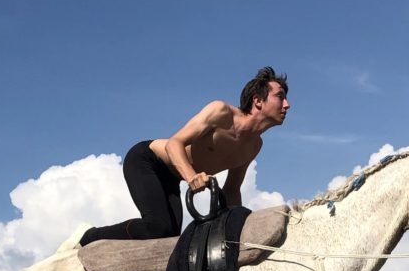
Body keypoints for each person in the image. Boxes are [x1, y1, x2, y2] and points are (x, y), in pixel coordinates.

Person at [79, 66, 290, 246]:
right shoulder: (221, 113)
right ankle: (87, 237)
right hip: (148, 161)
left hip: (173, 177)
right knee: (157, 227)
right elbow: (174, 144)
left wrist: (238, 227)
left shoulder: (254, 145)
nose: (287, 104)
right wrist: (191, 177)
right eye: (280, 96)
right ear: (258, 101)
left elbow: (232, 190)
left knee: (168, 237)